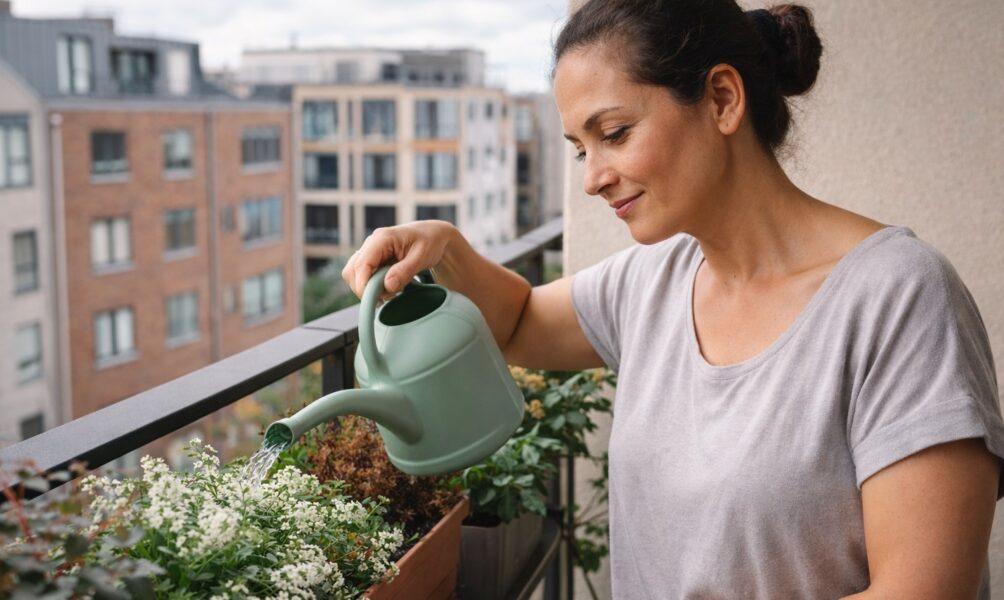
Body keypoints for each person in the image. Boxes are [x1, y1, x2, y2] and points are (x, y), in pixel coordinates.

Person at [342, 0, 1004, 597]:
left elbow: (922, 591)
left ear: (720, 98)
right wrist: (446, 247)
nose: (595, 179)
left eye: (616, 132)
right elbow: (516, 321)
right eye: (579, 151)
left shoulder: (901, 300)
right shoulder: (653, 280)